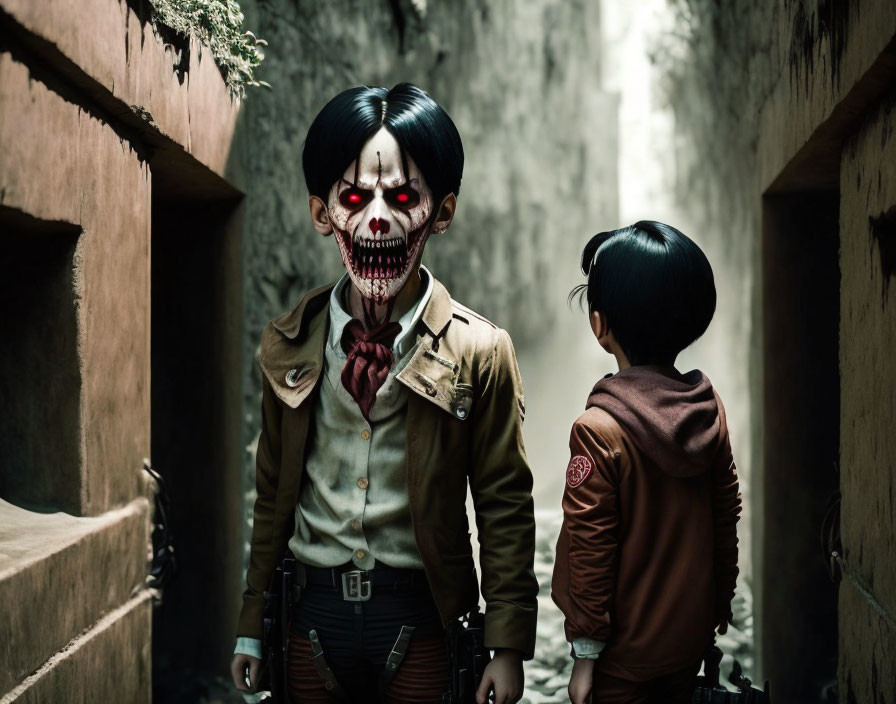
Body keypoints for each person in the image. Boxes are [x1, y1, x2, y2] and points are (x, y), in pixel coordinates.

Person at [230, 83, 538, 704]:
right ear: (324, 213)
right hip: (310, 615)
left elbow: (505, 503)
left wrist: (505, 646)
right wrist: (250, 629)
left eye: (402, 197)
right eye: (353, 197)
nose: (376, 218)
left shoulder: (481, 352)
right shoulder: (289, 343)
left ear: (442, 212)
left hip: (422, 617)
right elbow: (272, 498)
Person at [551, 221, 742, 704]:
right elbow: (726, 514)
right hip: (687, 646)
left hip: (621, 660)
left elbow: (590, 549)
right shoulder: (707, 411)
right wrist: (719, 601)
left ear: (600, 325)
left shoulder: (598, 431)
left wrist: (585, 657)